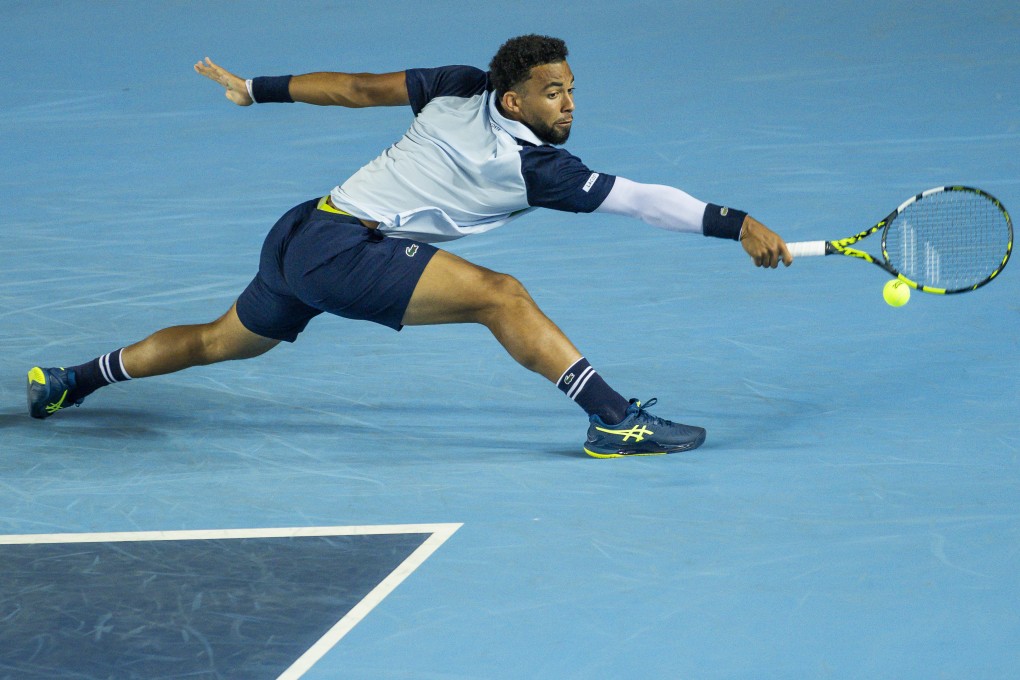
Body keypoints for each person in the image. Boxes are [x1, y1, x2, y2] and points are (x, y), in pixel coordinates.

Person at [27, 35, 791, 457]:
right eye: (554, 91)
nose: (569, 103)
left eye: (572, 89)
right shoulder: (539, 167)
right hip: (344, 248)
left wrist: (256, 88)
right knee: (502, 296)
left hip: (303, 229)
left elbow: (360, 89)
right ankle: (613, 419)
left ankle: (71, 380)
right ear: (517, 96)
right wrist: (739, 222)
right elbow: (645, 203)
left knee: (220, 340)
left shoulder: (459, 83)